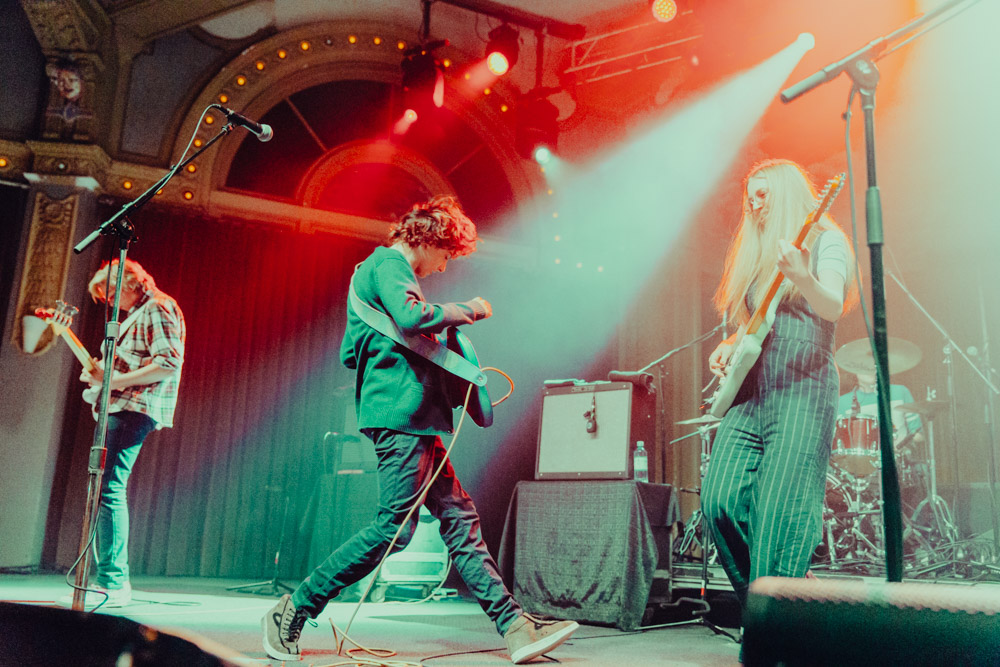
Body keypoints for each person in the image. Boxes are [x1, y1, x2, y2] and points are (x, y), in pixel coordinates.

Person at [261, 196, 578, 664]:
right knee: (396, 528)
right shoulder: (387, 264)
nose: (445, 266)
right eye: (447, 254)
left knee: (459, 521)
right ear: (428, 240)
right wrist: (467, 309)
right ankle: (293, 609)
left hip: (415, 419)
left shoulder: (386, 273)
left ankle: (515, 628)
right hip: (400, 417)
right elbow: (409, 320)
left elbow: (358, 351)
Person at [701, 160, 857, 619]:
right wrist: (730, 343)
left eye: (763, 194)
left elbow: (829, 305)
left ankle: (771, 629)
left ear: (789, 193)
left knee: (781, 514)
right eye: (749, 196)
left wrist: (803, 275)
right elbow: (757, 324)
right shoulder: (758, 258)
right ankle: (786, 606)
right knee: (720, 501)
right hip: (752, 395)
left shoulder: (826, 239)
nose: (753, 204)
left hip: (803, 389)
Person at [73, 259, 186, 606]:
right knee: (106, 488)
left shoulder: (157, 306)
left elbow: (169, 362)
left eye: (108, 294)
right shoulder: (138, 314)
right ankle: (111, 578)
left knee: (110, 489)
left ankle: (114, 582)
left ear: (128, 283)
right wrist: (99, 373)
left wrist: (114, 380)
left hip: (133, 408)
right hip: (122, 406)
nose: (108, 303)